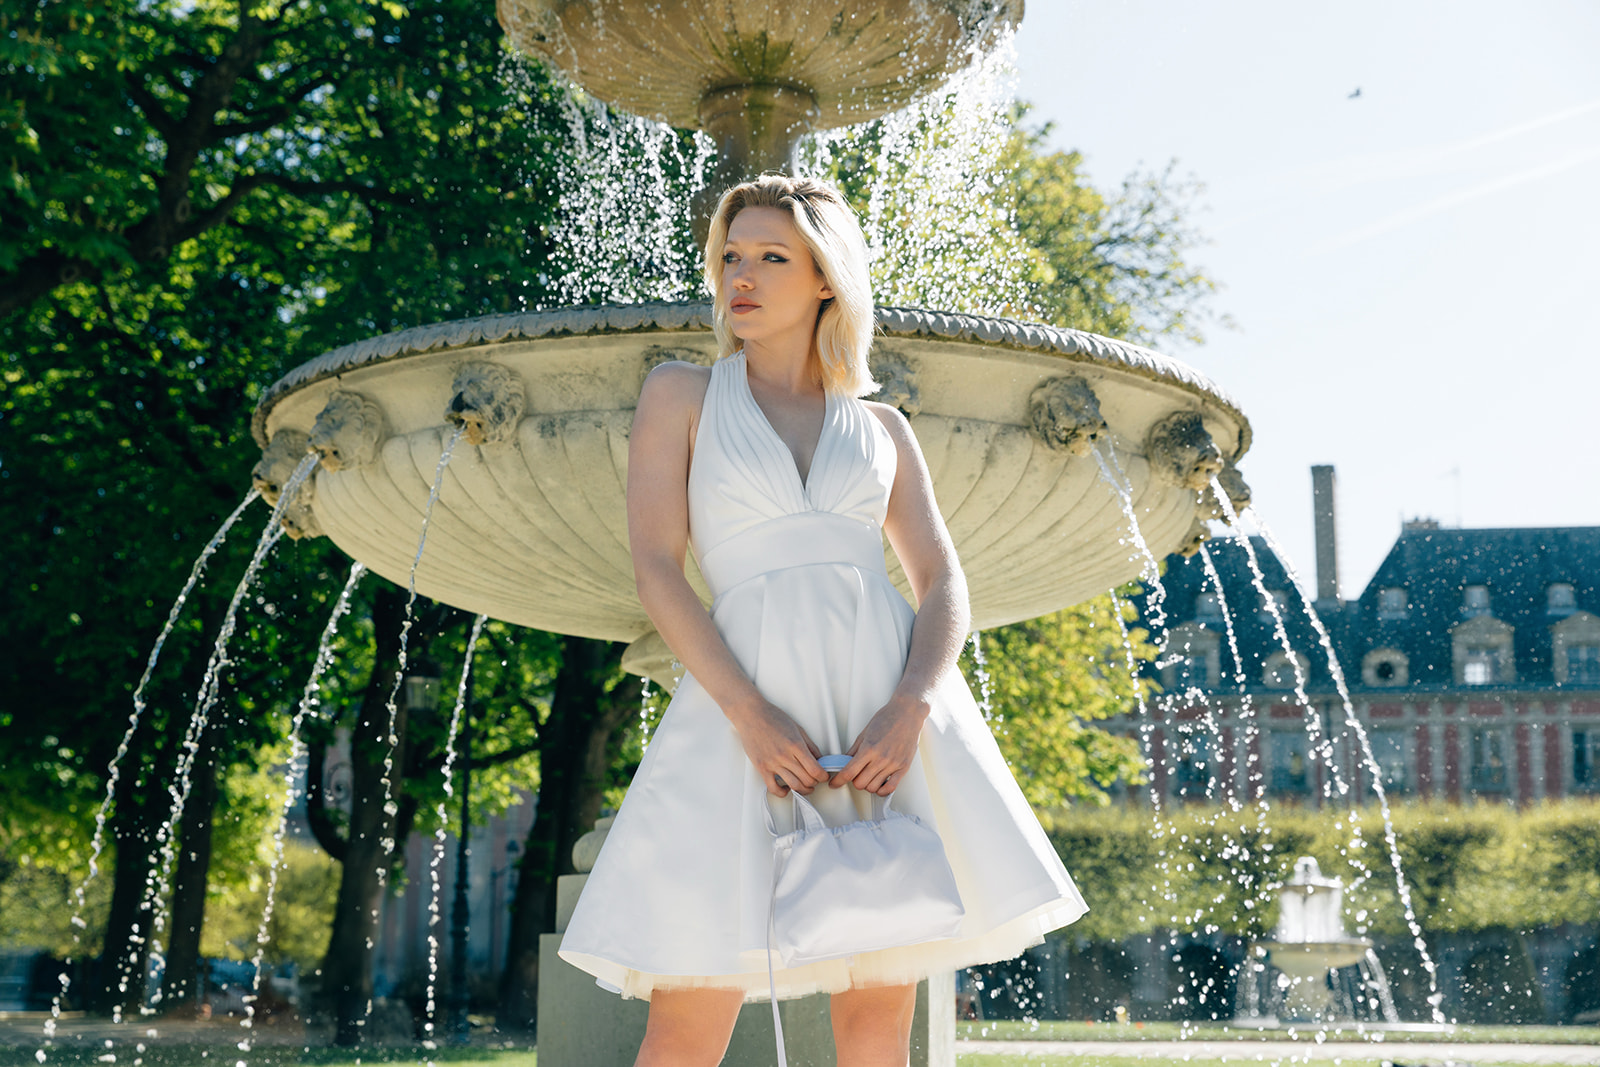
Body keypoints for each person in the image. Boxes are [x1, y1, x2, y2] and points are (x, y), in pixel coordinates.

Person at [558, 175, 1087, 1067]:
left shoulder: (881, 425)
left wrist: (911, 706)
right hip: (740, 711)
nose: (742, 276)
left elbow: (941, 579)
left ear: (827, 279)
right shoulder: (680, 393)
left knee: (878, 1016)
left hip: (877, 716)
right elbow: (656, 570)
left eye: (772, 256)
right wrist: (751, 716)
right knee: (689, 1011)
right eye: (731, 256)